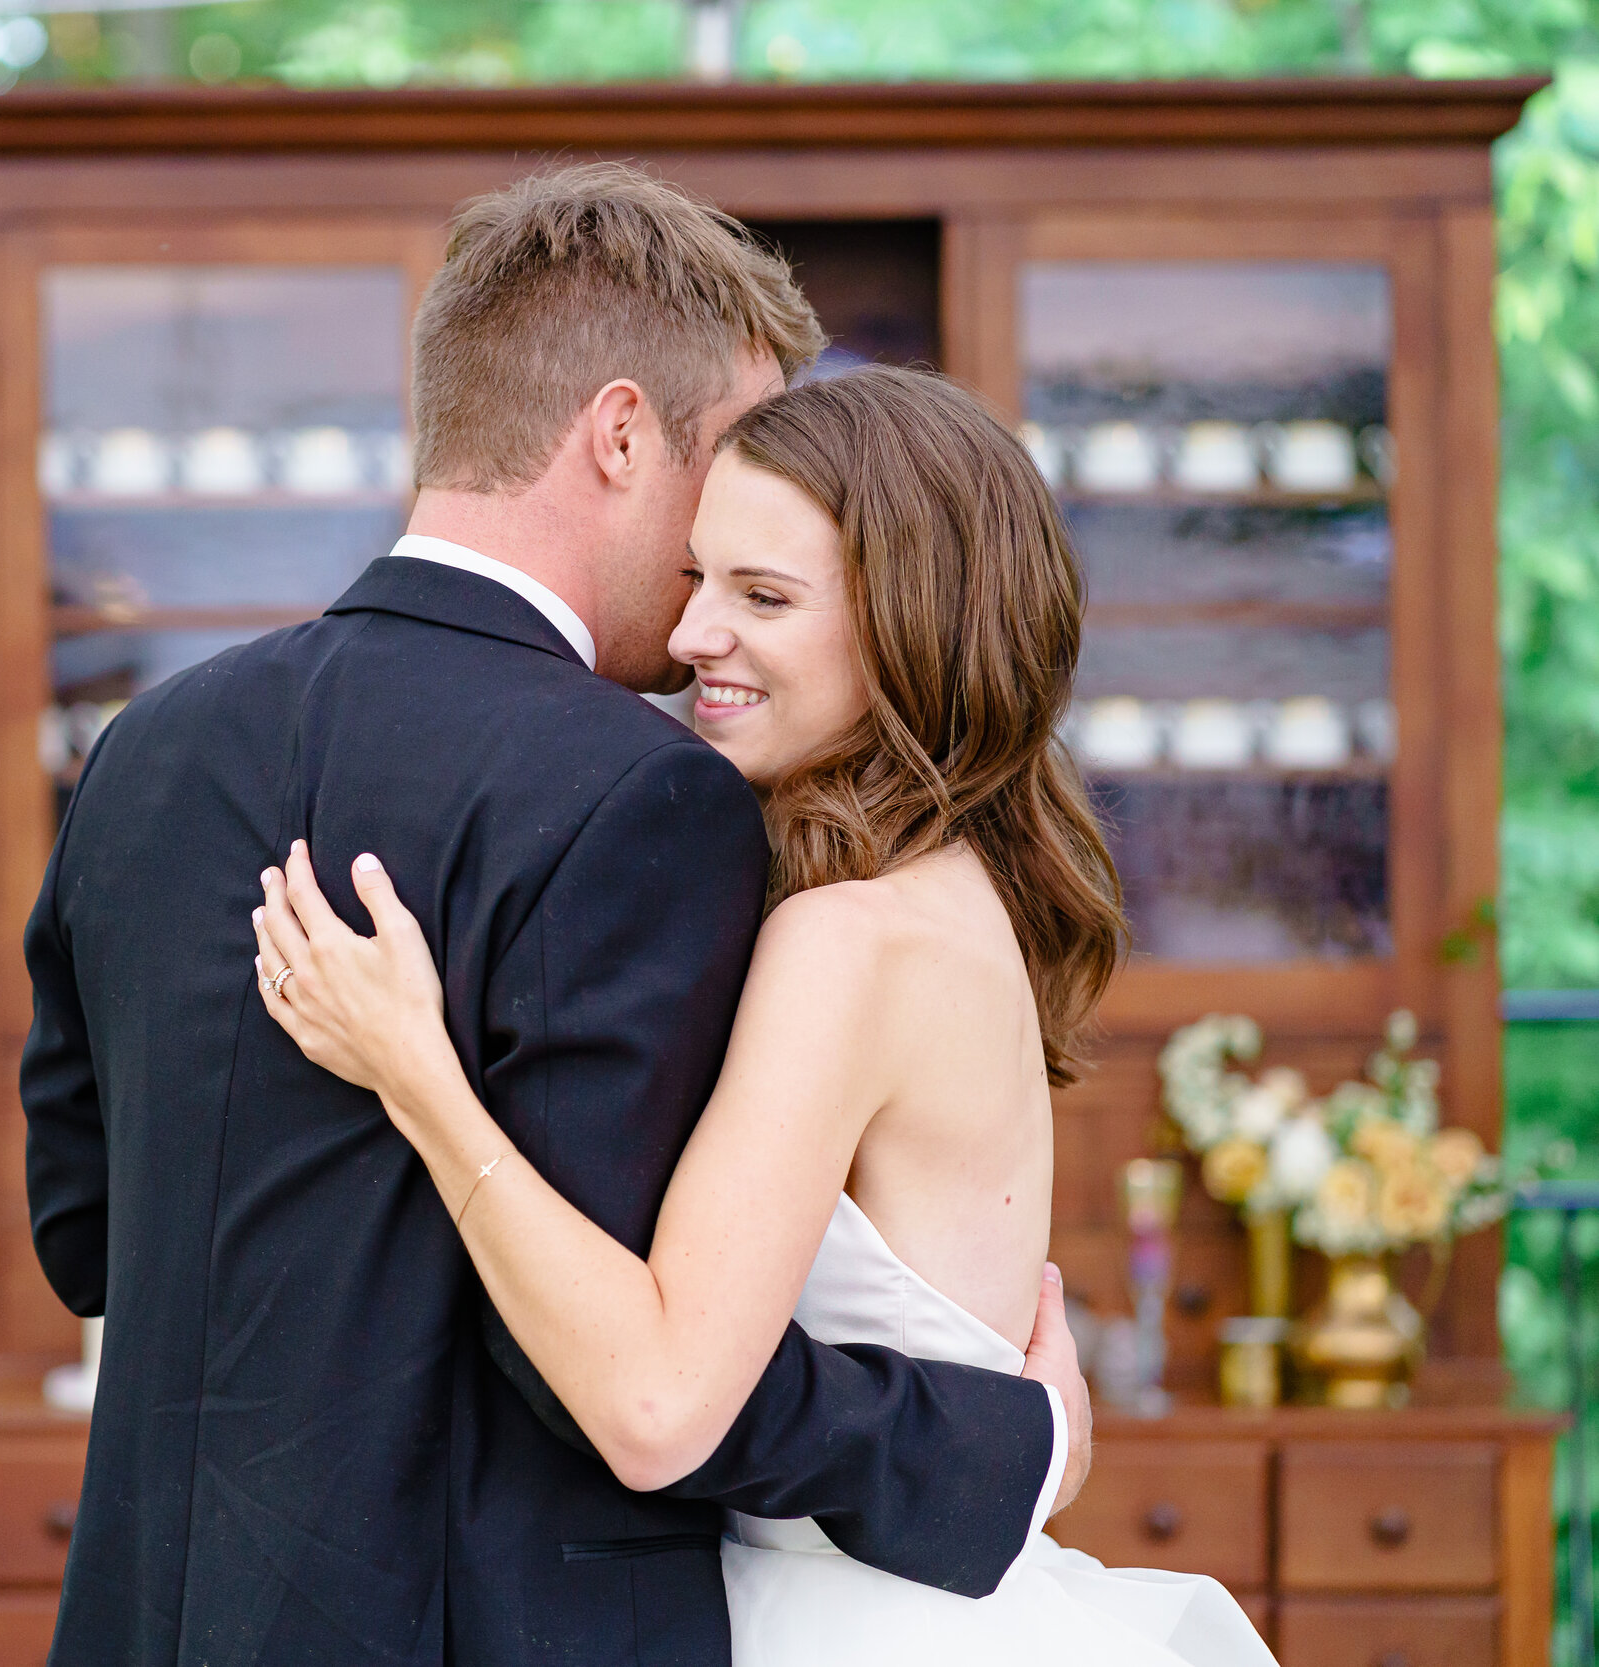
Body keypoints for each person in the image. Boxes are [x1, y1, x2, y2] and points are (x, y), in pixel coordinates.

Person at [21, 164, 1091, 1667]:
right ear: (622, 431)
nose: (718, 547)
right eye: (725, 462)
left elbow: (89, 1242)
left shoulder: (149, 750)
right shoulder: (645, 793)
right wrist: (993, 1443)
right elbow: (620, 1366)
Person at [248, 363, 1277, 1666]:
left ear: (913, 626)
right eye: (699, 579)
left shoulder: (846, 941)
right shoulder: (949, 892)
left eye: (765, 597)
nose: (690, 638)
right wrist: (1027, 1452)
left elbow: (660, 1402)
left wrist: (418, 1079)